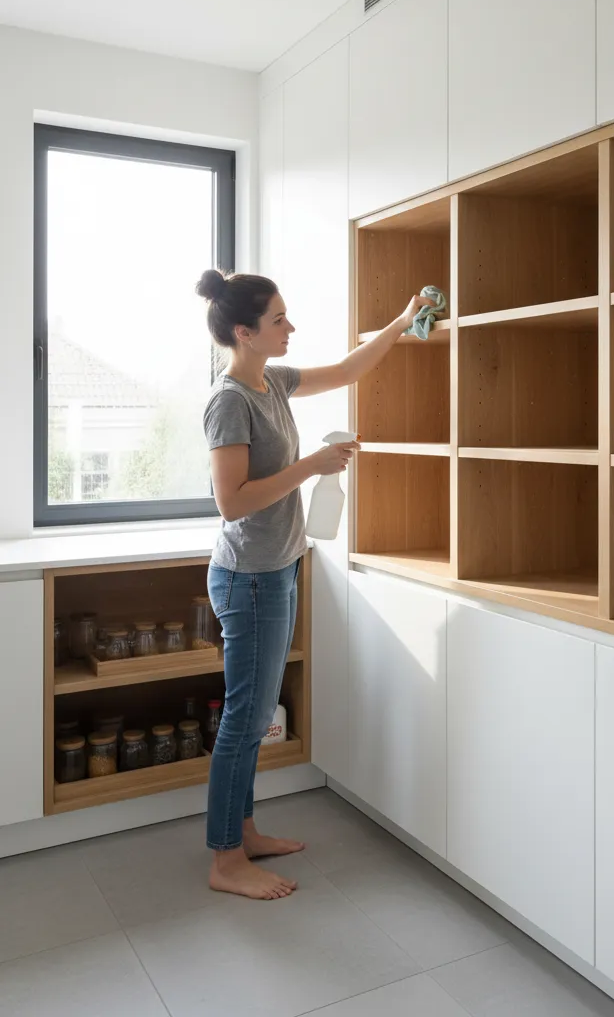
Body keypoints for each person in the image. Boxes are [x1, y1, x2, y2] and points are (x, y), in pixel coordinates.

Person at [197, 269, 432, 900]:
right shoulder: (229, 401)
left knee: (253, 715)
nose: (290, 327)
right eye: (278, 319)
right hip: (248, 579)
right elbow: (231, 502)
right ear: (244, 332)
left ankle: (243, 832)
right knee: (245, 718)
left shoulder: (272, 381)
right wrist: (313, 465)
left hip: (277, 568)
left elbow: (349, 370)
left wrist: (403, 319)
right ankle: (225, 861)